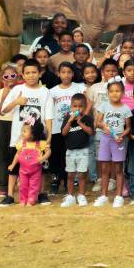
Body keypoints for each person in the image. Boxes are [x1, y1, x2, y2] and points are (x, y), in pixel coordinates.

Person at [0, 58, 55, 207]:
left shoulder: (45, 92)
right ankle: (10, 195)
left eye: (34, 72)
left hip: (38, 138)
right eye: (27, 73)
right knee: (15, 167)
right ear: (22, 75)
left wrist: (49, 136)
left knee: (41, 166)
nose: (31, 75)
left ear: (40, 73)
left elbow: (48, 116)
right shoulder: (17, 90)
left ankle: (41, 194)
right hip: (18, 137)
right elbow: (3, 110)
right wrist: (16, 102)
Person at [94, 77, 133, 208]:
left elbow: (128, 127)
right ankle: (103, 196)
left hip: (118, 141)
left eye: (117, 91)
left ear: (123, 93)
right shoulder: (104, 106)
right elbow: (97, 123)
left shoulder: (126, 109)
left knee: (118, 169)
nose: (114, 93)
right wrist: (103, 126)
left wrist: (122, 135)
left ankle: (118, 197)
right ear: (108, 93)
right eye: (111, 91)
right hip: (105, 139)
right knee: (104, 169)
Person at [48, 62, 86, 194]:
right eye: (63, 72)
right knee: (55, 155)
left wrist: (83, 116)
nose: (66, 75)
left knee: (67, 155)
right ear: (58, 74)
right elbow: (49, 109)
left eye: (69, 72)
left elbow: (88, 102)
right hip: (56, 127)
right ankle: (54, 180)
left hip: (73, 128)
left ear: (73, 74)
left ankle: (66, 181)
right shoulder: (52, 91)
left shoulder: (79, 87)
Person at [85, 59, 119, 190]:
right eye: (108, 71)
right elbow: (89, 107)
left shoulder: (119, 86)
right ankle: (100, 179)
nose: (111, 73)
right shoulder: (94, 88)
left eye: (113, 71)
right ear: (102, 72)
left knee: (114, 155)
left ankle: (112, 179)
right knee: (100, 155)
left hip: (116, 127)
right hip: (99, 127)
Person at [60, 93, 94, 207]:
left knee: (81, 175)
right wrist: (70, 121)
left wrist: (80, 122)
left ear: (85, 107)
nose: (77, 109)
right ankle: (70, 196)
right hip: (70, 151)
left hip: (83, 151)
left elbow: (90, 132)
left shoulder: (87, 118)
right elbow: (63, 133)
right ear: (71, 106)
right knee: (70, 174)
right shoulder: (67, 118)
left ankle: (81, 195)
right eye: (75, 106)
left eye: (80, 106)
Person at [8, 121, 50, 206]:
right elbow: (17, 154)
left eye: (25, 131)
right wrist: (13, 164)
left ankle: (31, 200)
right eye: (22, 131)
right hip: (23, 171)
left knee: (34, 186)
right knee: (23, 186)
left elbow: (48, 151)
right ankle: (23, 200)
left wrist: (43, 158)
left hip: (36, 171)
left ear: (33, 133)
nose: (22, 133)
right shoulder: (21, 144)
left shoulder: (40, 144)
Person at [0, 64, 18, 197]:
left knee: (15, 152)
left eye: (12, 75)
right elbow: (0, 111)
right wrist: (6, 91)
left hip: (17, 123)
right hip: (3, 123)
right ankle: (3, 185)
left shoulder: (21, 90)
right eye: (6, 76)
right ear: (2, 79)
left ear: (17, 77)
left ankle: (17, 182)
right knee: (2, 152)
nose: (10, 78)